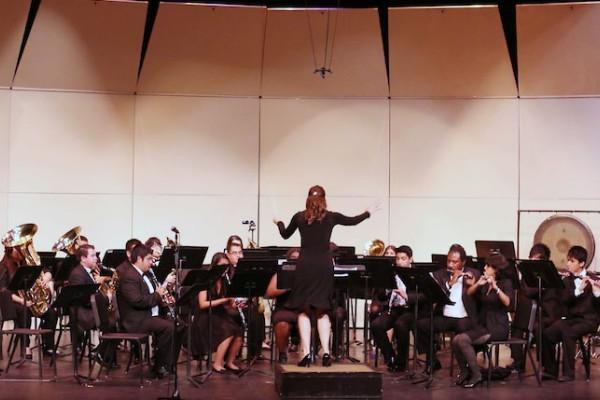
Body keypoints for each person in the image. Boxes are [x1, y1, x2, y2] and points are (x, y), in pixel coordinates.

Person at [273, 185, 372, 367]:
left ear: (308, 198)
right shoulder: (331, 217)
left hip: (305, 266)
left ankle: (305, 354)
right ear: (324, 199)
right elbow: (353, 221)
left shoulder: (299, 217)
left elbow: (285, 235)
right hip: (323, 266)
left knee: (304, 310)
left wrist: (278, 222)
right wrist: (367, 212)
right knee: (321, 310)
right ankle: (326, 352)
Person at [452, 253, 514, 388]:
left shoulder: (506, 283)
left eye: (488, 266)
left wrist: (496, 288)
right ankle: (464, 372)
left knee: (463, 340)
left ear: (496, 269)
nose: (484, 268)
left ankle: (476, 375)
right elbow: (469, 294)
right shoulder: (484, 283)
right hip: (484, 324)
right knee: (456, 340)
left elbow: (508, 302)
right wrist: (478, 283)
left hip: (497, 327)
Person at [416, 244, 481, 372]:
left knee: (465, 331)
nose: (450, 265)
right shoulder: (441, 274)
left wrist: (473, 284)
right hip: (446, 316)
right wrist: (450, 283)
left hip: (464, 317)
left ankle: (466, 365)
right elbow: (433, 291)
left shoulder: (473, 273)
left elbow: (480, 296)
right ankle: (432, 360)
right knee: (421, 325)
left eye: (455, 262)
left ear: (463, 262)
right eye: (449, 260)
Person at [542, 246, 600, 381]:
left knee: (568, 332)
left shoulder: (594, 278)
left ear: (581, 263)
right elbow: (564, 301)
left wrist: (597, 292)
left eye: (572, 261)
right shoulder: (567, 281)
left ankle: (568, 373)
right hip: (572, 319)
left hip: (589, 321)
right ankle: (550, 370)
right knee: (547, 333)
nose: (568, 264)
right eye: (568, 260)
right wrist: (578, 290)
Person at [117, 244, 175, 378]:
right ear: (139, 259)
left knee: (179, 325)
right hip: (136, 320)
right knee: (168, 328)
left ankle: (168, 363)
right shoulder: (129, 277)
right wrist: (158, 294)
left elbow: (151, 296)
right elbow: (138, 301)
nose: (152, 262)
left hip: (149, 315)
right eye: (149, 259)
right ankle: (159, 366)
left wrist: (165, 298)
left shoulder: (146, 274)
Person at [370, 245, 421, 372]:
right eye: (397, 259)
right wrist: (387, 288)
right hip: (395, 308)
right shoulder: (392, 273)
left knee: (400, 324)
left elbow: (423, 295)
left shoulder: (417, 274)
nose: (399, 261)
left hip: (410, 309)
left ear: (410, 259)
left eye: (403, 259)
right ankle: (390, 357)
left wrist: (407, 296)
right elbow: (381, 295)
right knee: (376, 325)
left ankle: (402, 361)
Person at [191, 252, 244, 373]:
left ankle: (229, 362)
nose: (225, 269)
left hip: (219, 314)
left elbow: (227, 304)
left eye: (227, 266)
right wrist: (224, 300)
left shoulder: (225, 281)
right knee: (228, 329)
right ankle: (217, 363)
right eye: (222, 265)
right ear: (214, 265)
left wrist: (235, 304)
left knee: (239, 330)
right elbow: (202, 304)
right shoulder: (205, 279)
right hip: (205, 316)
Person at [266, 247, 301, 363]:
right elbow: (269, 293)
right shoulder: (281, 273)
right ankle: (282, 354)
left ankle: (310, 353)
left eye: (299, 259)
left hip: (302, 309)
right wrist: (288, 286)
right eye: (293, 258)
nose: (296, 261)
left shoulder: (306, 273)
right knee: (281, 323)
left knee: (314, 321)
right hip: (284, 309)